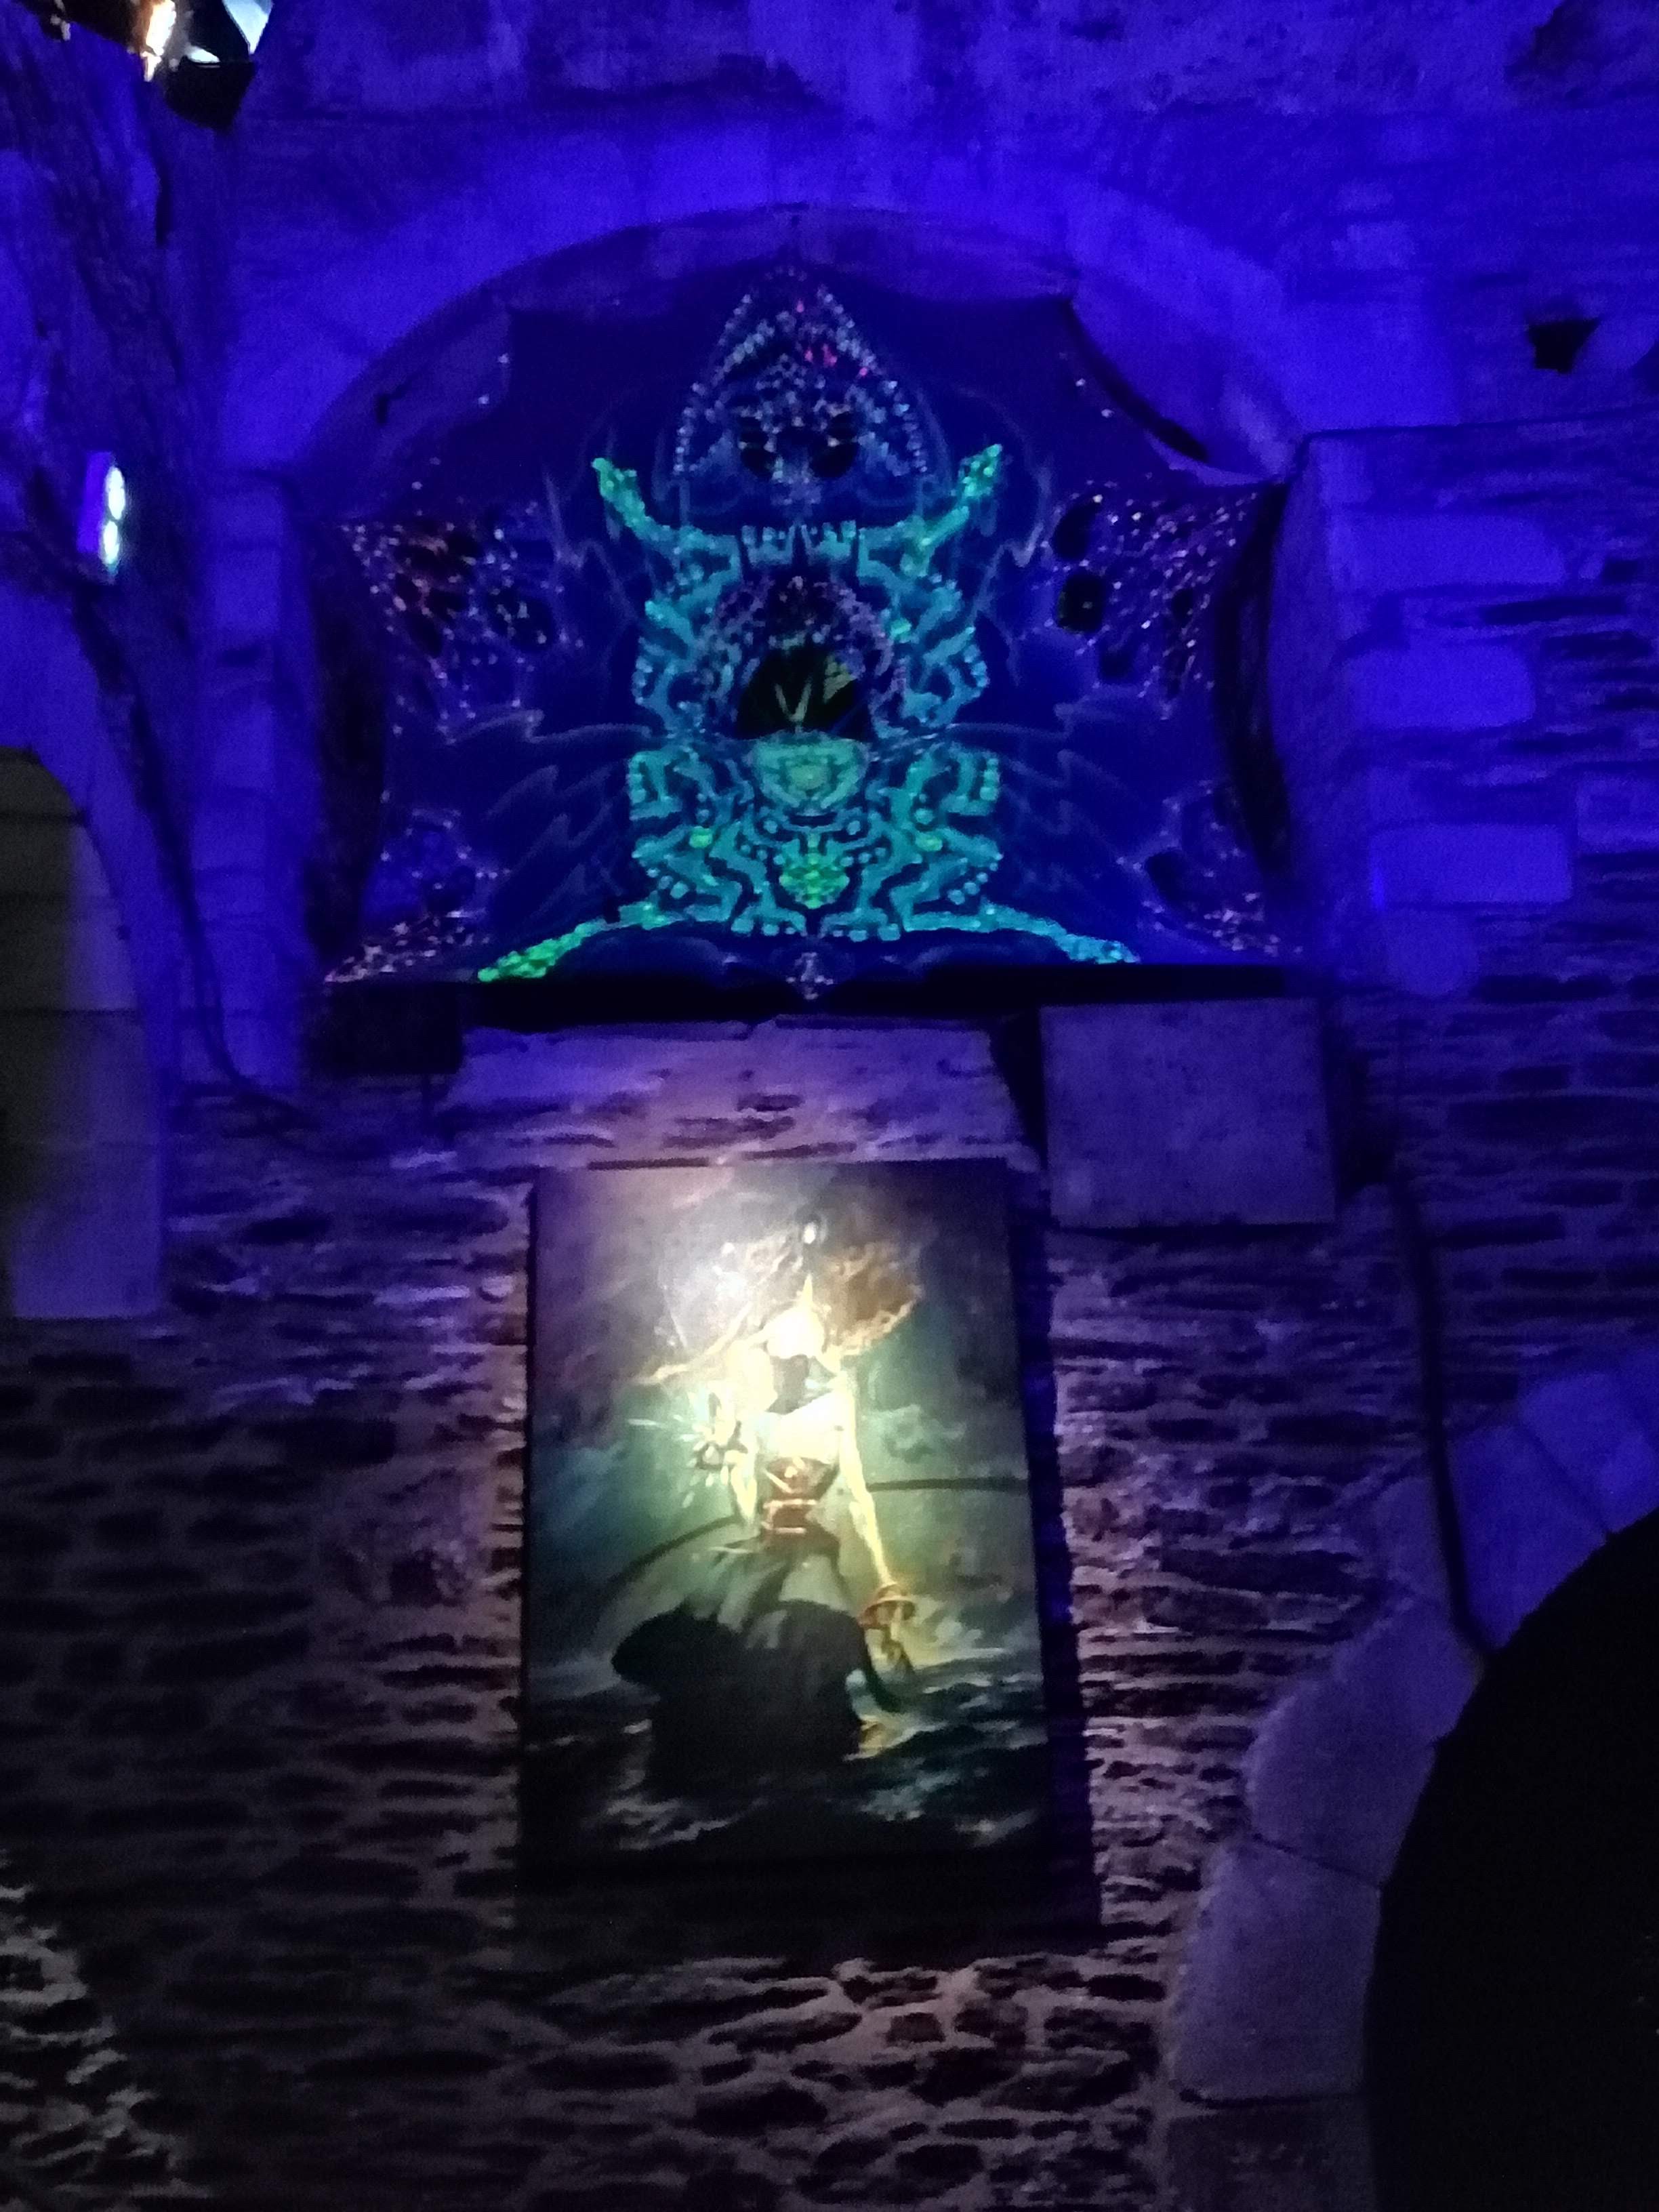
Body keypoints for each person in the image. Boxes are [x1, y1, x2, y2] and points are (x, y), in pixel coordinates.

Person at [613, 1291, 912, 1777]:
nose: (786, 1370)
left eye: (794, 1361)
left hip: (813, 1552)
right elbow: (744, 1506)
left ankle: (816, 1725)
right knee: (715, 1615)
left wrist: (885, 1577)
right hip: (765, 1548)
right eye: (778, 1360)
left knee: (799, 1632)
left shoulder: (836, 1408)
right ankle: (714, 1723)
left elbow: (859, 1498)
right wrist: (727, 1457)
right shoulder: (757, 1421)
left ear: (809, 1361)